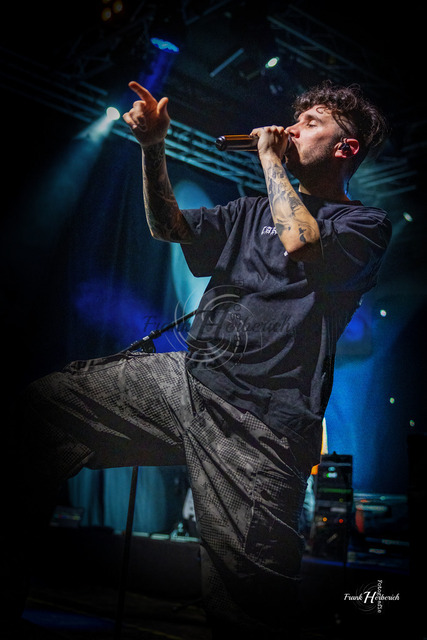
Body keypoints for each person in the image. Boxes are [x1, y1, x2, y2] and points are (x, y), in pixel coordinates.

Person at [7, 80, 391, 638]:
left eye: (311, 123)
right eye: (296, 118)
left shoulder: (363, 226)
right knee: (42, 408)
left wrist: (270, 161)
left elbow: (302, 242)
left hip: (259, 423)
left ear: (345, 148)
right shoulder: (248, 211)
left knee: (249, 603)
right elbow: (168, 227)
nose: (291, 128)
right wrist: (152, 148)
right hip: (189, 382)